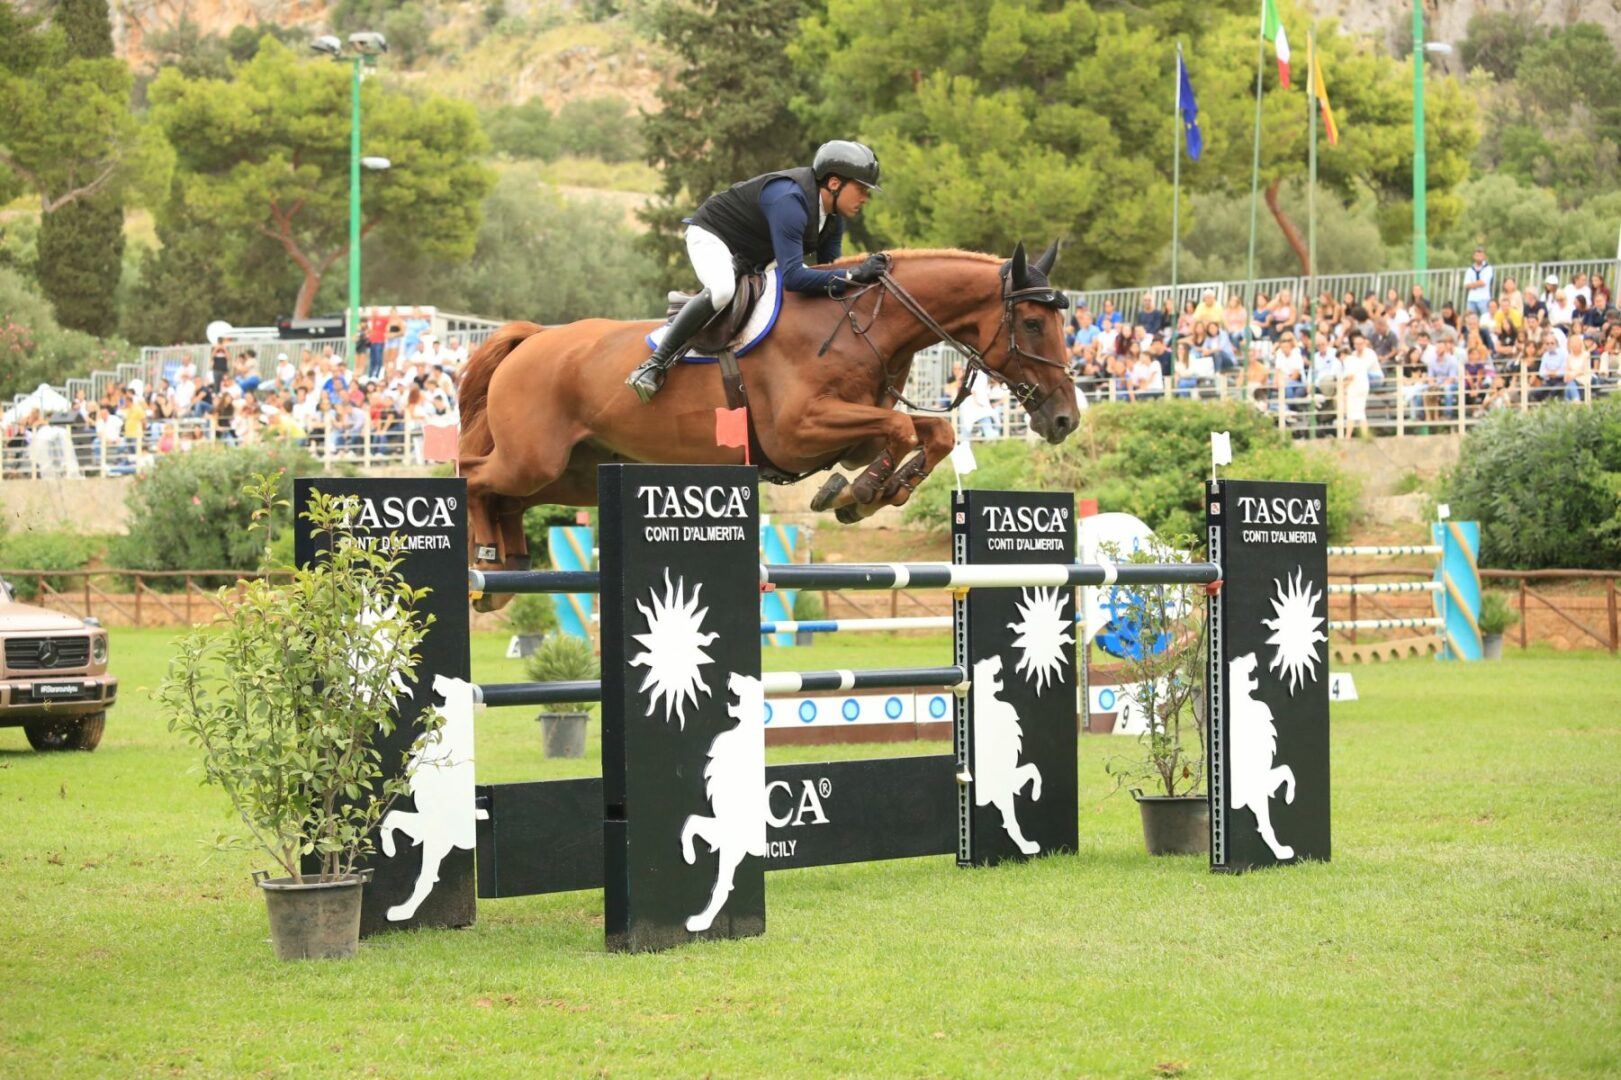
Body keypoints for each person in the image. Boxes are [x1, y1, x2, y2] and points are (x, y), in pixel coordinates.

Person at [625, 140, 887, 403]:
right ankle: (653, 365)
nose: (865, 198)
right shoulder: (789, 200)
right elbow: (795, 277)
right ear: (833, 183)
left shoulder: (832, 219)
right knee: (722, 290)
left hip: (756, 257)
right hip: (714, 236)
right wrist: (854, 274)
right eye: (862, 189)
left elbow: (830, 272)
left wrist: (860, 277)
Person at [1463, 247, 1493, 318]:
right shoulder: (1469, 270)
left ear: (1485, 257)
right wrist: (1477, 284)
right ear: (1473, 257)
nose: (1479, 257)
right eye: (1477, 255)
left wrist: (1472, 284)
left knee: (1486, 317)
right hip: (1471, 298)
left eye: (1481, 255)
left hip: (1484, 298)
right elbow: (1466, 285)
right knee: (1469, 318)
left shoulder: (1488, 268)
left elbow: (1483, 283)